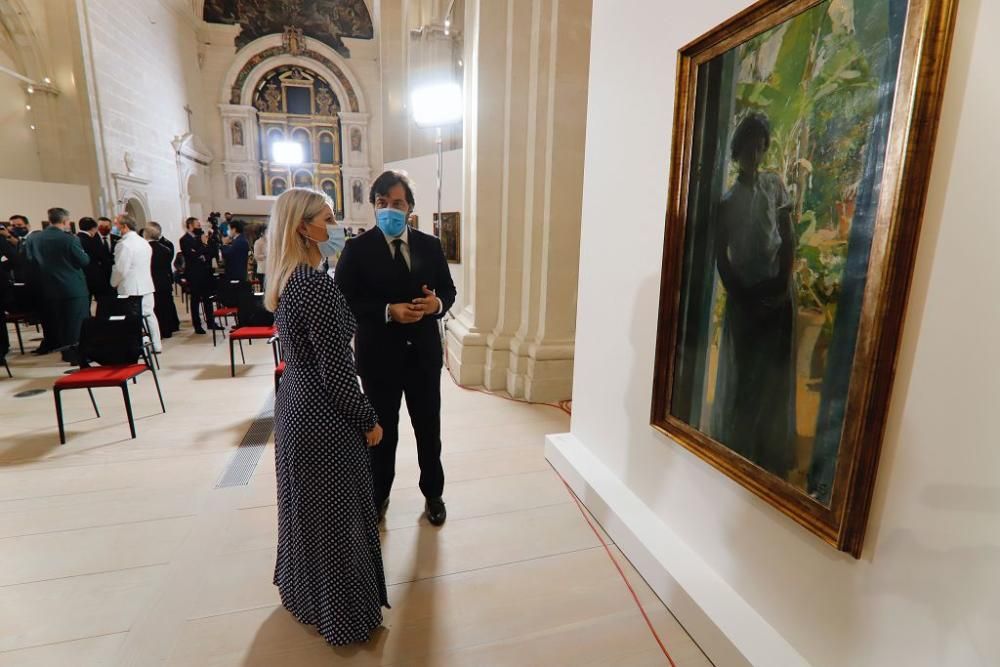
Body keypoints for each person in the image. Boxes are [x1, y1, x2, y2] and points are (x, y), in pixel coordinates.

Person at [264, 187, 388, 645]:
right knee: (339, 515)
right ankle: (343, 615)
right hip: (323, 414)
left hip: (296, 403)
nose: (335, 226)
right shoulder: (314, 286)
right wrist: (368, 419)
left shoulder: (291, 278)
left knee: (306, 509)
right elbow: (337, 373)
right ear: (304, 227)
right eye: (328, 218)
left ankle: (305, 596)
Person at [335, 171, 457, 526]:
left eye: (397, 203)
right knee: (380, 433)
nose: (389, 209)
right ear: (374, 207)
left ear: (410, 208)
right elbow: (343, 302)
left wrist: (436, 306)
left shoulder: (430, 246)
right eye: (382, 203)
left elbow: (448, 291)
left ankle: (433, 494)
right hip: (378, 359)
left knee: (428, 430)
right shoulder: (357, 250)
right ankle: (378, 496)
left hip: (422, 356)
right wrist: (388, 311)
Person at [711, 113, 797, 479]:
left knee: (771, 376)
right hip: (745, 300)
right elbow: (720, 254)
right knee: (745, 374)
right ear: (738, 149)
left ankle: (768, 452)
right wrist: (739, 291)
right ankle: (740, 447)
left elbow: (788, 237)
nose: (755, 152)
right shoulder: (727, 201)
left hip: (776, 296)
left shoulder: (775, 186)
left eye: (761, 145)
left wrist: (780, 280)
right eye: (749, 145)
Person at [26, 208, 90, 363]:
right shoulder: (69, 239)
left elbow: (30, 261)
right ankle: (77, 356)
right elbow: (83, 261)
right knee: (76, 323)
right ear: (65, 221)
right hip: (73, 287)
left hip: (49, 288)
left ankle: (66, 353)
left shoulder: (34, 239)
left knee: (60, 322)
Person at [110, 215, 161, 353]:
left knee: (133, 318)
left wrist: (113, 283)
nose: (114, 228)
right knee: (149, 315)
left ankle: (141, 346)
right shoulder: (144, 242)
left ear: (124, 226)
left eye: (116, 224)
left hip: (131, 287)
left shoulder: (124, 244)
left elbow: (120, 268)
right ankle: (156, 344)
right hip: (146, 284)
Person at [180, 217, 221, 335]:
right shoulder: (184, 239)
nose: (200, 228)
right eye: (197, 225)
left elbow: (210, 252)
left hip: (206, 273)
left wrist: (204, 249)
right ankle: (197, 325)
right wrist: (202, 251)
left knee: (208, 299)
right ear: (190, 226)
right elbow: (191, 254)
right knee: (195, 300)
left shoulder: (202, 238)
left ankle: (211, 322)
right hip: (194, 275)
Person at [145, 222, 180, 339]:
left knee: (155, 308)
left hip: (151, 281)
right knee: (165, 306)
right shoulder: (165, 249)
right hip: (164, 280)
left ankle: (157, 331)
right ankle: (168, 329)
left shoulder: (145, 248)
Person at [77, 217, 114, 301]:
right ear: (93, 228)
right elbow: (102, 258)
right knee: (103, 303)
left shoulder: (75, 239)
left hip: (82, 277)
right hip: (96, 278)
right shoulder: (92, 241)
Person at [253, 224, 268, 289]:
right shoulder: (258, 242)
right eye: (267, 232)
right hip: (262, 270)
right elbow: (256, 256)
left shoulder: (270, 241)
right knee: (264, 288)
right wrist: (266, 255)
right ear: (262, 233)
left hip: (270, 269)